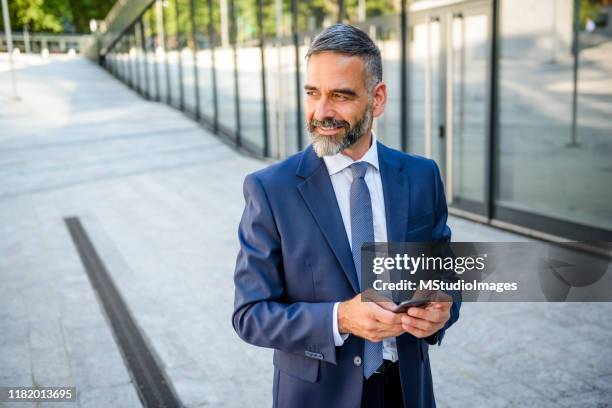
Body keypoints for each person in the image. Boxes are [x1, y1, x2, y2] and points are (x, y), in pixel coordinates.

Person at [232, 23, 460, 408]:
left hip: (407, 390)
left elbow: (447, 273)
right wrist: (339, 318)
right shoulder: (271, 189)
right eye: (312, 94)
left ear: (378, 98)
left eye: (340, 96)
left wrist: (442, 311)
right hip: (318, 396)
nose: (321, 112)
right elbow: (250, 314)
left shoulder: (422, 175)